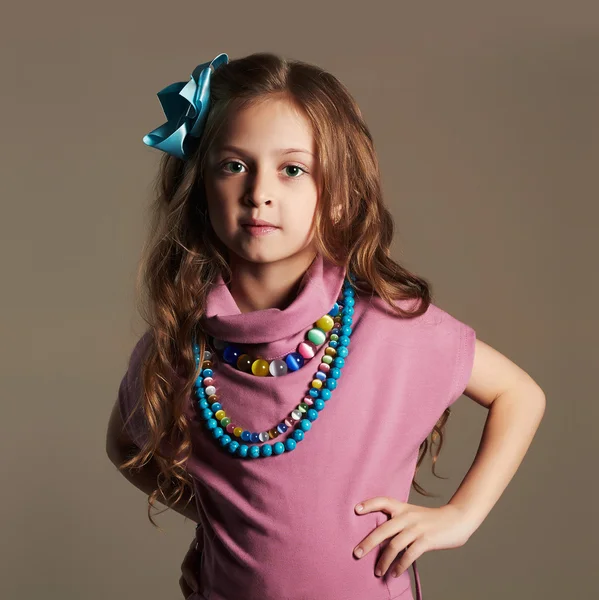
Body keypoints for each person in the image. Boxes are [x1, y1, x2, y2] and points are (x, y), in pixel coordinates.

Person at [105, 51, 546, 600]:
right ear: (201, 189)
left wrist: (461, 514)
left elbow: (519, 394)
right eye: (234, 165)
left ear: (337, 194)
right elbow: (126, 445)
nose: (259, 191)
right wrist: (224, 522)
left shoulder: (388, 325)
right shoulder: (177, 345)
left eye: (292, 169)